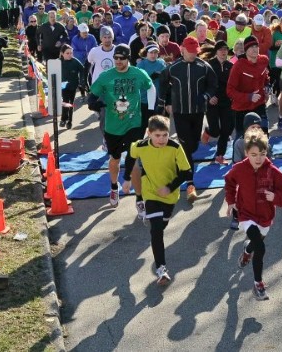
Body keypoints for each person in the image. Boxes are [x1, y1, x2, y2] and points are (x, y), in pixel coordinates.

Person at [224, 127, 282, 300]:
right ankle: (258, 284)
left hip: (265, 216)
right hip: (246, 214)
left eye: (262, 154)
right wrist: (231, 201)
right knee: (260, 247)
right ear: (247, 153)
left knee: (256, 243)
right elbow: (229, 181)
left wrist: (275, 197)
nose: (258, 158)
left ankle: (247, 252)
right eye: (254, 154)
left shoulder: (273, 172)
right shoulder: (240, 169)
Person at [87, 44, 155, 207]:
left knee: (134, 159)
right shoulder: (106, 76)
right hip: (113, 125)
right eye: (115, 58)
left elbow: (150, 87)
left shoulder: (138, 73)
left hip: (134, 123)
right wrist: (93, 103)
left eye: (121, 58)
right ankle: (114, 186)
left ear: (128, 58)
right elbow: (93, 94)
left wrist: (151, 110)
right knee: (115, 159)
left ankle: (139, 198)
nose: (118, 61)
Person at [129, 115, 192, 286]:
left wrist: (169, 188)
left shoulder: (175, 147)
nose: (162, 139)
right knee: (156, 230)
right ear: (149, 133)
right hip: (150, 192)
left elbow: (187, 171)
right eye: (157, 135)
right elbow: (131, 155)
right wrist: (129, 180)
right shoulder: (140, 146)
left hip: (170, 195)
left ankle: (150, 217)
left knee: (161, 225)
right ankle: (161, 269)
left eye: (165, 135)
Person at [161, 37, 218, 202]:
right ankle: (190, 185)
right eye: (191, 51)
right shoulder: (173, 68)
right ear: (182, 49)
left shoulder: (203, 66)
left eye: (196, 52)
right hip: (180, 112)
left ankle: (179, 160)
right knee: (186, 147)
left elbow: (213, 84)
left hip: (198, 111)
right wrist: (167, 103)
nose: (193, 54)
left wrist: (206, 95)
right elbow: (163, 83)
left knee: (193, 146)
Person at [228, 36, 270, 140]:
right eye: (251, 47)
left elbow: (265, 77)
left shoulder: (264, 60)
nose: (255, 49)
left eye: (256, 46)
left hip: (259, 104)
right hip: (241, 108)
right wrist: (249, 97)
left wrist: (267, 87)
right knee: (241, 139)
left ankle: (266, 155)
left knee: (264, 134)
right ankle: (237, 156)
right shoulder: (238, 66)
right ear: (246, 50)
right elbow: (230, 91)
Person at [201, 41, 235, 165]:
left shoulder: (231, 66)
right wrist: (209, 96)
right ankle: (208, 131)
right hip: (213, 102)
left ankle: (220, 155)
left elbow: (234, 84)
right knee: (215, 131)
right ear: (216, 51)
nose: (223, 52)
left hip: (227, 102)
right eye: (220, 49)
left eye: (225, 49)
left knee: (227, 130)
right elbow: (202, 83)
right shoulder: (208, 65)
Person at [58, 45, 83, 129]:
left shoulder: (75, 61)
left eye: (71, 53)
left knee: (71, 103)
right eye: (67, 53)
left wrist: (82, 81)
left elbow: (82, 69)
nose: (70, 55)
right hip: (63, 86)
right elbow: (52, 71)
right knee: (65, 102)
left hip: (73, 85)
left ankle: (69, 121)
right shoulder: (58, 62)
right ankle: (63, 119)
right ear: (62, 53)